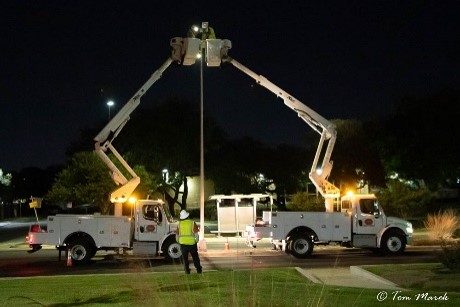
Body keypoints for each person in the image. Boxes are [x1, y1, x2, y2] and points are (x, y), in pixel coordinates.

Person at [176, 210, 202, 274]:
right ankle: (198, 269)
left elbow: (177, 235)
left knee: (185, 258)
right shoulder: (192, 223)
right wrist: (196, 240)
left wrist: (178, 241)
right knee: (195, 257)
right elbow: (196, 233)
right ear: (187, 216)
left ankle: (187, 271)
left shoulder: (179, 224)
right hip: (192, 243)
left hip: (183, 244)